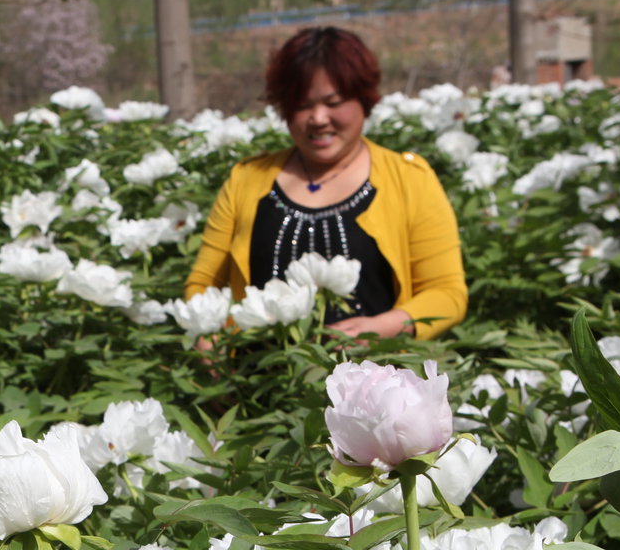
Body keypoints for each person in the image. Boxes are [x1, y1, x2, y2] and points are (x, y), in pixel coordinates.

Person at [185, 25, 467, 341]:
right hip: (257, 382)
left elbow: (446, 292)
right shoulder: (246, 181)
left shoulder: (409, 180)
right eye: (303, 105)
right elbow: (203, 284)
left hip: (373, 378)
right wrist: (209, 341)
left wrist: (388, 326)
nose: (318, 118)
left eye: (333, 102)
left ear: (364, 100)